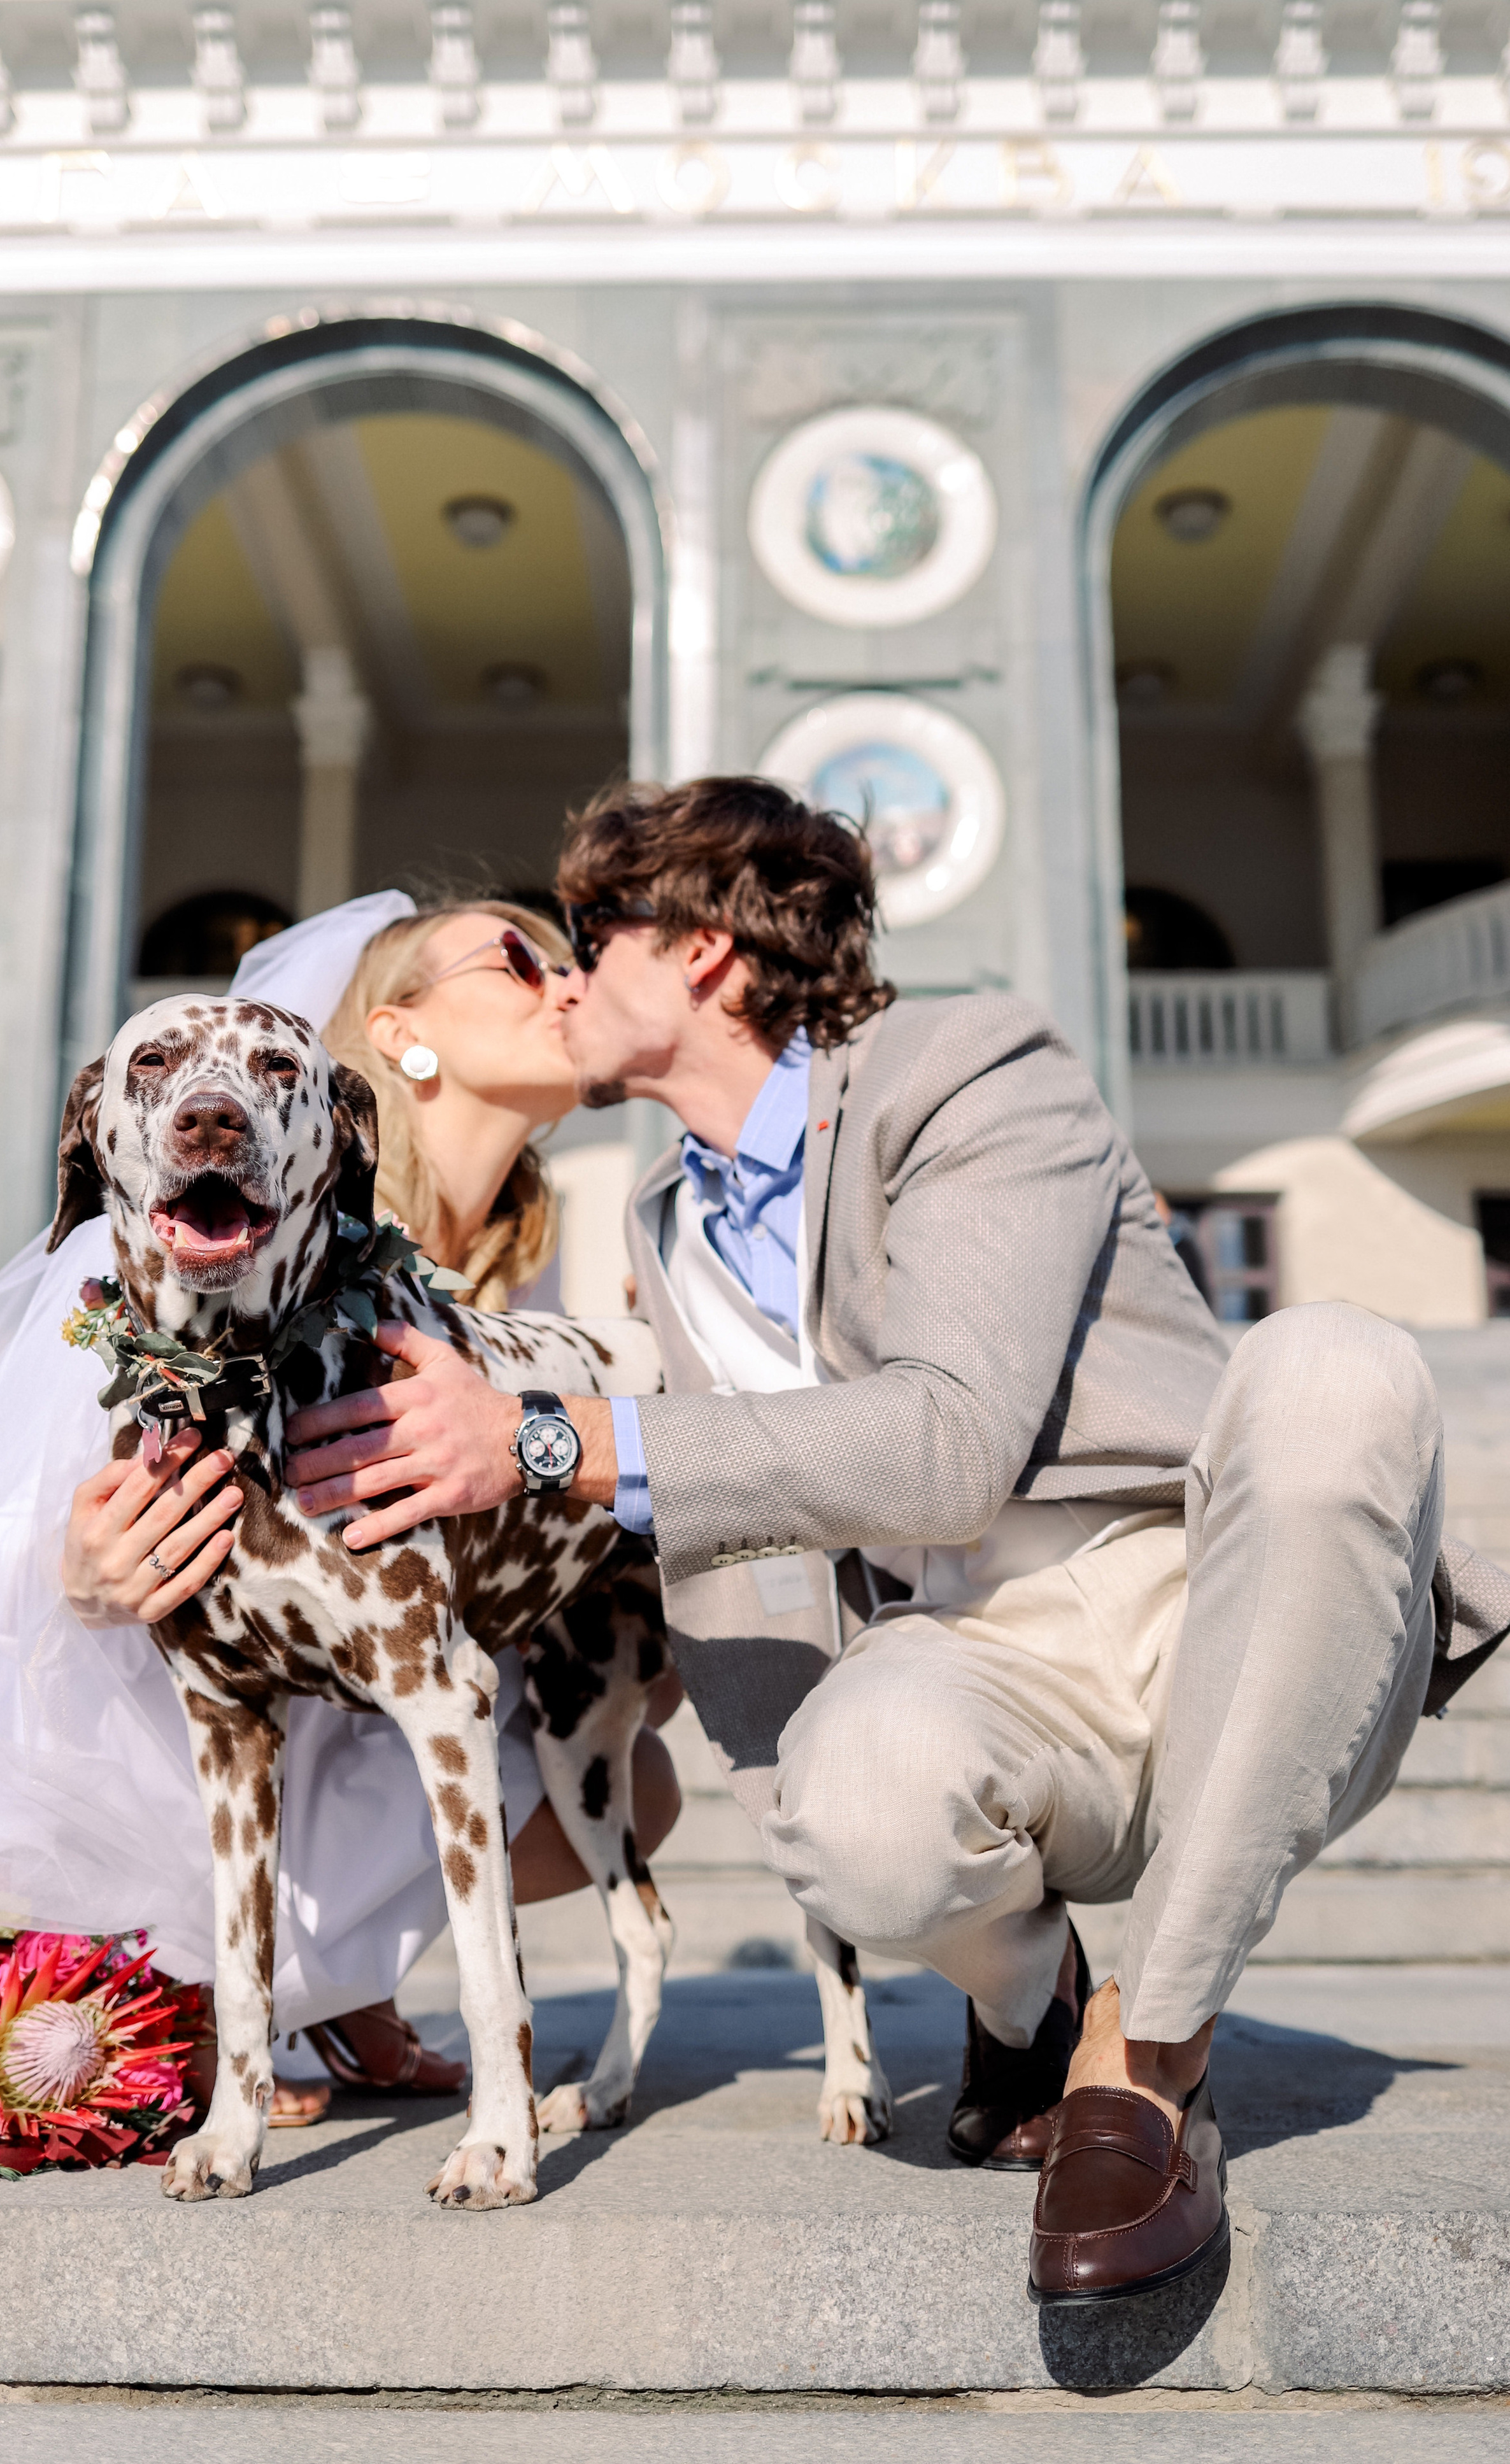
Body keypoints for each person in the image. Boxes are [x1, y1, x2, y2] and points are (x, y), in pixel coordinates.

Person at [281, 777, 1510, 2304]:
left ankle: (1147, 2054)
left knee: (1332, 1358)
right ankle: (1028, 1990)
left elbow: (945, 1444)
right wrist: (807, 1805)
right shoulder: (659, 1219)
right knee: (851, 1798)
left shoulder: (969, 1062)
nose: (567, 972)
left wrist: (546, 1440)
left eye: (592, 932)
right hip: (980, 1665)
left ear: (707, 953)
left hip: (1211, 1590)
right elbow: (737, 1532)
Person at [0, 891, 679, 2130]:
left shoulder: (492, 1282)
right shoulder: (184, 1249)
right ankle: (217, 1982)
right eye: (520, 959)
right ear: (397, 1030)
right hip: (152, 1727)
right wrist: (74, 1568)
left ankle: (328, 1982)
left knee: (640, 1737)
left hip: (357, 1692)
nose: (568, 984)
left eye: (578, 964)